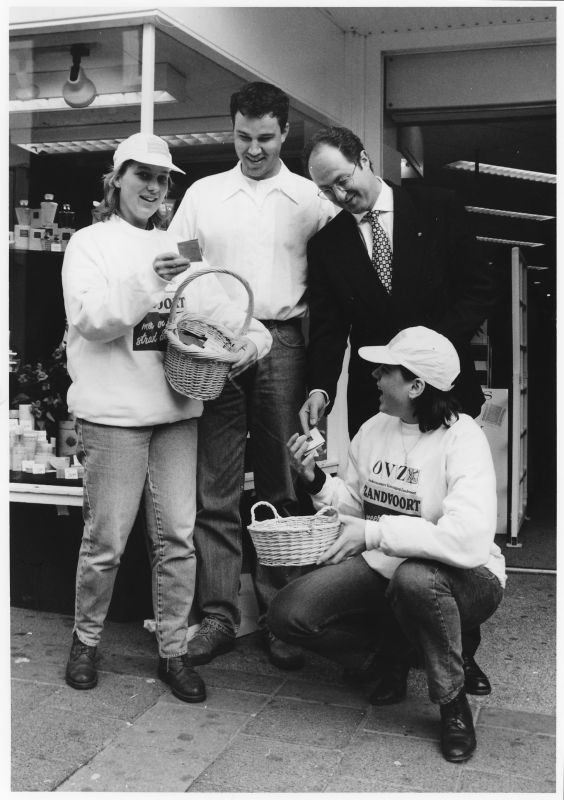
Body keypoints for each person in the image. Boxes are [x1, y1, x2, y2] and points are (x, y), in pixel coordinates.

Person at [62, 132, 272, 703]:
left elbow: (229, 310)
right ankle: (86, 640)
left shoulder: (182, 247)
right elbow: (91, 321)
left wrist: (251, 344)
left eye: (162, 179)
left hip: (177, 412)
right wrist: (150, 278)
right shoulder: (89, 243)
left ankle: (173, 651)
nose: (154, 187)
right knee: (106, 540)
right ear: (117, 180)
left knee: (178, 538)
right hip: (112, 414)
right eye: (143, 175)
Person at [298, 125, 494, 695]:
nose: (340, 196)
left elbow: (479, 289)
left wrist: (426, 357)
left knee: (444, 519)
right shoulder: (329, 244)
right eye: (327, 191)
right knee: (387, 519)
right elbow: (329, 329)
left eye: (343, 181)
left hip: (446, 391)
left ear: (365, 159)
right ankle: (391, 652)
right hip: (377, 401)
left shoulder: (437, 206)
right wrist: (319, 390)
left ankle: (461, 651)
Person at [268, 326, 506, 763]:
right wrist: (315, 480)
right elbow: (356, 505)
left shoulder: (463, 438)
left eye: (386, 370)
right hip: (385, 567)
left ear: (416, 386)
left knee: (416, 579)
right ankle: (390, 655)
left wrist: (375, 534)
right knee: (287, 614)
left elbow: (468, 540)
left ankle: (452, 702)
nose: (374, 375)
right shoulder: (375, 428)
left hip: (467, 578)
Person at [168, 82, 334, 670]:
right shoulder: (204, 194)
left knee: (281, 483)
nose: (254, 149)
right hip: (215, 341)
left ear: (286, 132)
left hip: (283, 342)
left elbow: (334, 280)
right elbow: (181, 264)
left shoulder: (311, 199)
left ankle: (282, 617)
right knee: (214, 486)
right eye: (243, 137)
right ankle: (219, 617)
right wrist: (219, 326)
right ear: (231, 129)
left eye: (265, 138)